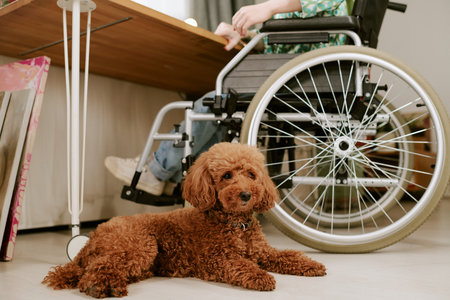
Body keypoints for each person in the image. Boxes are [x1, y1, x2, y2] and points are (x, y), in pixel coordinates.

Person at [105, 0, 350, 196]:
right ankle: (175, 178)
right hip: (296, 78)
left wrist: (268, 7)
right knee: (220, 103)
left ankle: (158, 172)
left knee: (217, 103)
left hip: (308, 81)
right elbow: (286, 43)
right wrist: (243, 36)